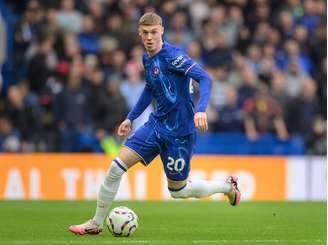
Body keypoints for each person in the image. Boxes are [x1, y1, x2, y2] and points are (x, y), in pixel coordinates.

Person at [69, 12, 241, 235]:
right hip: (156, 125)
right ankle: (95, 223)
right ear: (140, 34)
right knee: (115, 168)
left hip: (180, 133)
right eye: (145, 33)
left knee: (178, 191)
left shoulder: (174, 56)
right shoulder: (147, 58)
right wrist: (130, 118)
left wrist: (201, 110)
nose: (150, 37)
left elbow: (205, 78)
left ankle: (227, 187)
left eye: (154, 32)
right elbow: (150, 89)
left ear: (162, 31)